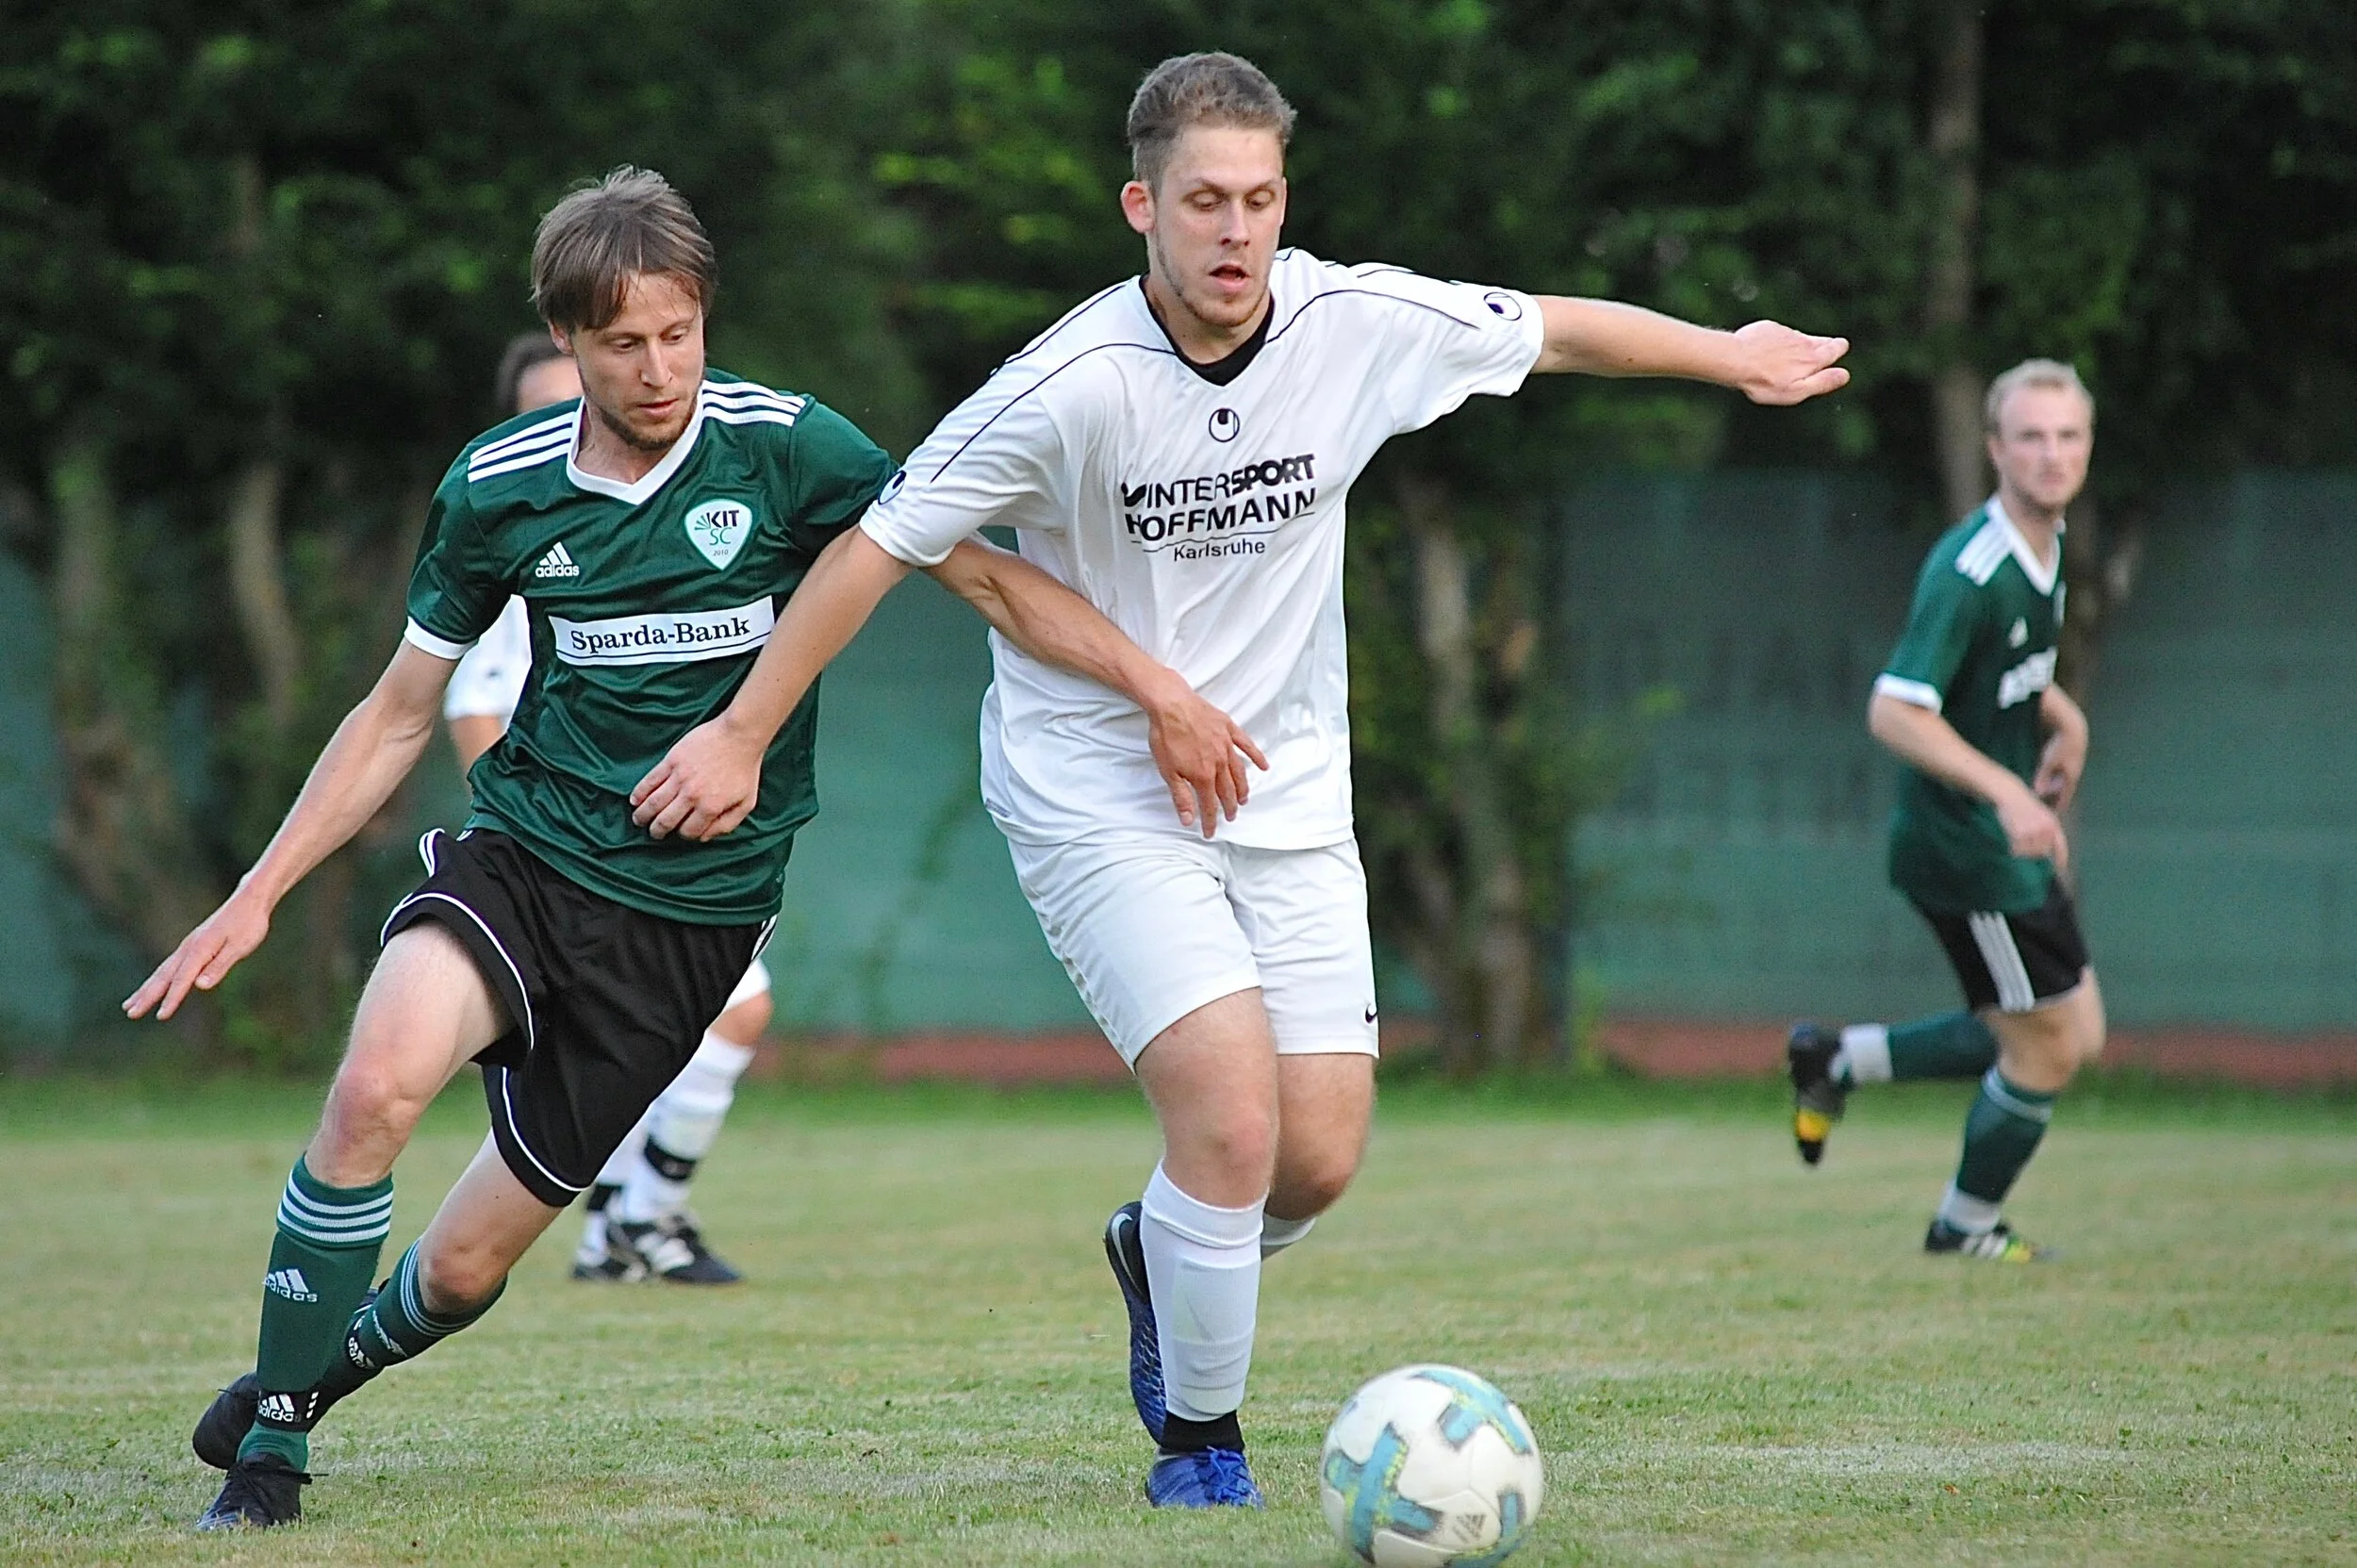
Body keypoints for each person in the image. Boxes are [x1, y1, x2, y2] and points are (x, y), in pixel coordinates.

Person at [625, 53, 1849, 1508]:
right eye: (1205, 200)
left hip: (1285, 787)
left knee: (1314, 1160)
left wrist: (1730, 352)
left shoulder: (1351, 322)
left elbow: (1553, 328)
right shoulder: (1068, 384)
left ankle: (1163, 1249)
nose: (1237, 230)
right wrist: (743, 731)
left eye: (1261, 199)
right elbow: (879, 547)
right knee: (1230, 1121)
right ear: (1142, 206)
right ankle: (1202, 1446)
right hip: (1098, 790)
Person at [127, 166, 1253, 1530]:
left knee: (466, 1270)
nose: (659, 369)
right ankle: (270, 1463)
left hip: (692, 923)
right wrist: (256, 893)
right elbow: (396, 712)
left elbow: (989, 579)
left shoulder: (789, 449)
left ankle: (299, 1377)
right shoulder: (498, 487)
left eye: (680, 333)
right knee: (371, 1090)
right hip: (528, 856)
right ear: (566, 338)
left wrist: (1160, 690)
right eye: (622, 343)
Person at [447, 334, 761, 1286]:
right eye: (542, 406)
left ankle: (628, 1221)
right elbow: (472, 706)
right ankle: (635, 1218)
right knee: (689, 1025)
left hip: (674, 843)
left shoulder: (664, 517)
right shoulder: (520, 539)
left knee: (686, 1030)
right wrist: (536, 831)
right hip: (576, 855)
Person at [1788, 357, 2106, 1263]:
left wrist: (2065, 719)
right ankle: (1962, 1228)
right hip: (1963, 846)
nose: (2051, 454)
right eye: (2031, 437)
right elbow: (1896, 708)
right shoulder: (1972, 570)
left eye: (2068, 436)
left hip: (2001, 839)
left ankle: (1836, 1060)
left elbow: (2005, 671)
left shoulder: (2047, 547)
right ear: (1995, 448)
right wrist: (2007, 791)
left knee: (2073, 1030)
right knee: (2044, 1047)